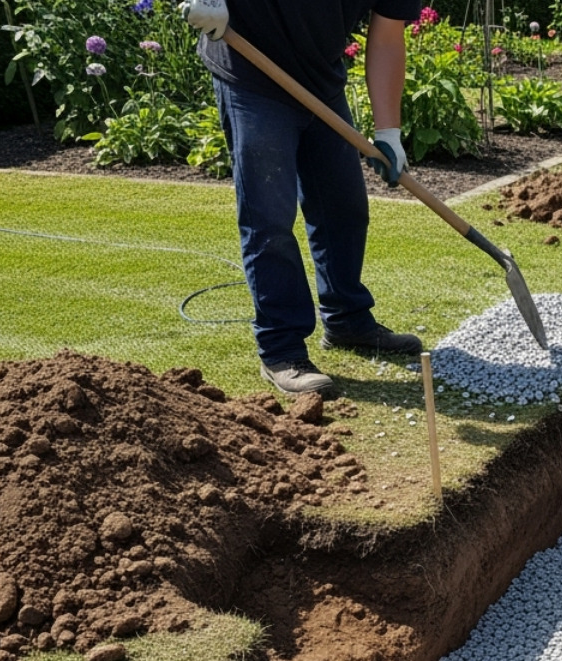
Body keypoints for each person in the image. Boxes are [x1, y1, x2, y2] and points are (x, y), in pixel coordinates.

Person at [180, 0, 423, 396]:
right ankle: (281, 349)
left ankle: (346, 319)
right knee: (270, 219)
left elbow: (387, 38)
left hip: (320, 79)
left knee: (343, 207)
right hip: (251, 71)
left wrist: (388, 133)